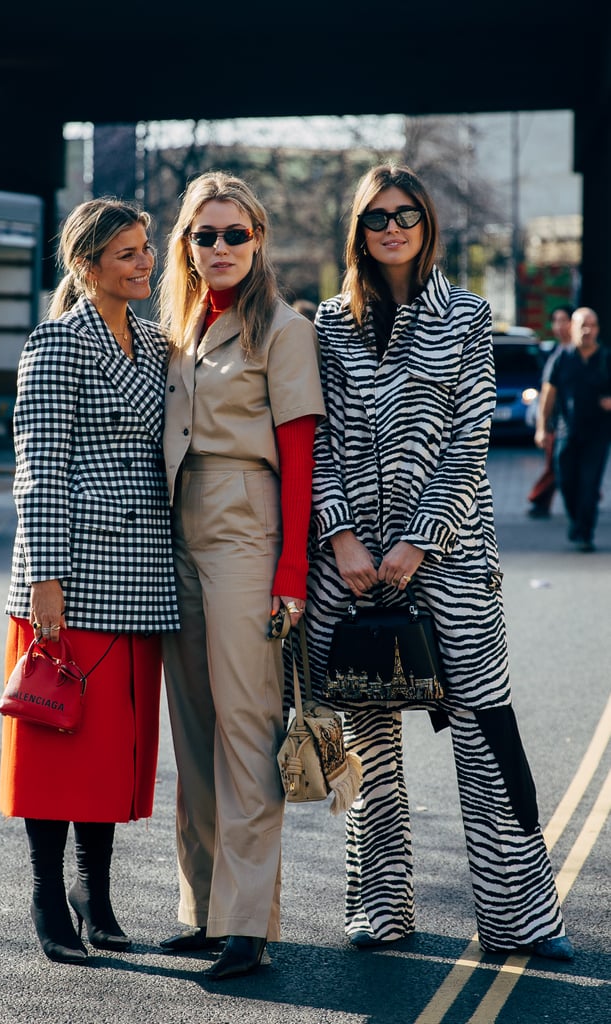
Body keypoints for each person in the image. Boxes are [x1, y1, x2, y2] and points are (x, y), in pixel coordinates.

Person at [304, 163, 573, 960]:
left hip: (448, 560)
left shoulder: (465, 315)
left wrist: (417, 539)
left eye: (406, 215)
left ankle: (519, 919)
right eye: (376, 217)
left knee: (486, 732)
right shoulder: (324, 323)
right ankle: (379, 909)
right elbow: (312, 440)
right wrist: (341, 537)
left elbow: (468, 441)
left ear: (427, 225)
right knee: (369, 735)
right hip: (351, 569)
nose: (391, 227)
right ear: (358, 230)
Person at [0, 197, 179, 965]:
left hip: (139, 576)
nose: (146, 263)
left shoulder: (155, 343)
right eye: (129, 254)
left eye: (146, 249)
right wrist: (47, 579)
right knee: (55, 737)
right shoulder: (56, 343)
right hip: (68, 577)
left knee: (105, 749)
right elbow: (39, 469)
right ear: (86, 266)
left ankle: (94, 893)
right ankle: (47, 895)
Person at [157, 171, 325, 979]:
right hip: (177, 526)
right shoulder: (180, 326)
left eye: (233, 234)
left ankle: (247, 924)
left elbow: (300, 456)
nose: (219, 248)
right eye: (203, 235)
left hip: (246, 529)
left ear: (257, 240)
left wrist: (290, 571)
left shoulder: (282, 329)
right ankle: (205, 908)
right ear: (184, 246)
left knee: (245, 728)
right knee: (191, 728)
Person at [535, 306, 611, 552]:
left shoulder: (606, 358)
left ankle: (584, 532)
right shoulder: (562, 359)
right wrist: (541, 428)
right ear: (573, 329)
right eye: (582, 325)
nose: (587, 330)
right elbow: (548, 395)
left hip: (597, 436)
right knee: (567, 482)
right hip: (566, 433)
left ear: (598, 329)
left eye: (592, 325)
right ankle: (576, 522)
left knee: (589, 486)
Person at [526, 304, 574, 518]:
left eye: (564, 320)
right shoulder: (554, 353)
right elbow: (546, 392)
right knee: (556, 465)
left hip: (578, 423)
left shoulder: (582, 352)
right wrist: (542, 427)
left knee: (561, 466)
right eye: (556, 321)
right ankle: (539, 500)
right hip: (557, 423)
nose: (560, 326)